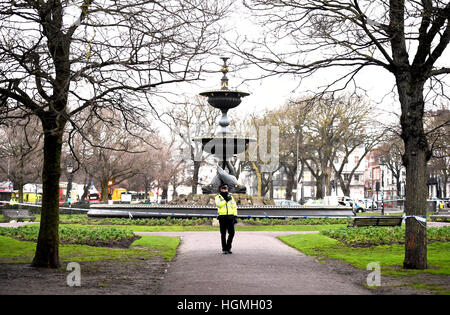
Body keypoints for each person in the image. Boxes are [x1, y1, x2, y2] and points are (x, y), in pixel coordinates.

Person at [215, 184, 238, 254]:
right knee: (223, 234)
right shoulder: (217, 197)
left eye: (226, 188)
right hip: (222, 217)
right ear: (221, 189)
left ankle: (228, 247)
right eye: (223, 189)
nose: (225, 190)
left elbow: (234, 206)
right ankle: (224, 249)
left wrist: (235, 215)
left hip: (230, 217)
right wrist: (225, 200)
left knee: (232, 233)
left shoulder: (230, 196)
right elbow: (218, 204)